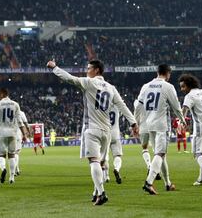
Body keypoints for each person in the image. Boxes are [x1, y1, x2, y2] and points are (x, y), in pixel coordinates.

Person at [47, 59, 138, 205]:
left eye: (88, 68)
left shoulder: (88, 82)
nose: (86, 70)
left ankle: (101, 193)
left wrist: (54, 68)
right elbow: (122, 105)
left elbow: (69, 78)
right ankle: (96, 192)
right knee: (101, 163)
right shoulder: (111, 88)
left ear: (96, 70)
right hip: (107, 131)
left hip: (92, 129)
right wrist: (133, 123)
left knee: (93, 161)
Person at [136, 64, 186, 195]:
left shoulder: (145, 86)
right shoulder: (168, 87)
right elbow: (176, 106)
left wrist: (136, 123)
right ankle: (149, 182)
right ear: (168, 73)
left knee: (161, 155)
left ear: (157, 72)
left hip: (149, 124)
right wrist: (183, 120)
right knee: (160, 154)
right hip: (162, 125)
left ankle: (168, 183)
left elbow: (138, 107)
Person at [0, 88, 27, 184]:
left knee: (1, 155)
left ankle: (3, 169)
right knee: (12, 155)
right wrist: (24, 134)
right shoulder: (15, 104)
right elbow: (20, 122)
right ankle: (12, 177)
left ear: (3, 94)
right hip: (13, 133)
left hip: (2, 133)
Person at [134, 100, 162, 181]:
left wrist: (135, 126)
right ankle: (156, 171)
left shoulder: (137, 102)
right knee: (156, 150)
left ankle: (149, 165)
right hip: (154, 126)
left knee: (144, 148)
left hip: (143, 127)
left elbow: (137, 114)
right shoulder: (154, 99)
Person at [15, 110, 30, 176]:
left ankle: (16, 169)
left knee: (11, 154)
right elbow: (26, 124)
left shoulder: (6, 111)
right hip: (17, 134)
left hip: (7, 134)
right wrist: (27, 133)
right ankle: (15, 171)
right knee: (16, 153)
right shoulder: (21, 113)